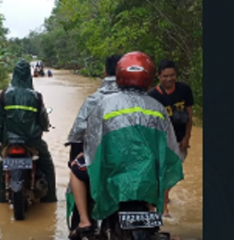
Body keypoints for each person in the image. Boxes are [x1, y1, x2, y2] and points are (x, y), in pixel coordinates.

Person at [68, 51, 184, 238]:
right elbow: (171, 150)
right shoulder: (157, 107)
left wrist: (86, 155)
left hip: (115, 170)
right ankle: (152, 208)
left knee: (76, 169)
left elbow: (93, 141)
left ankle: (84, 220)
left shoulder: (103, 104)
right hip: (145, 173)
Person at [66, 55, 122, 239]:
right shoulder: (142, 99)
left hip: (99, 161)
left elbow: (77, 134)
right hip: (132, 161)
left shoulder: (94, 99)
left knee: (76, 170)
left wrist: (73, 158)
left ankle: (83, 221)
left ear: (105, 73)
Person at [0, 60, 57, 203]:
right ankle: (50, 199)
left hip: (9, 140)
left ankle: (0, 199)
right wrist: (45, 127)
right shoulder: (36, 96)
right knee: (47, 164)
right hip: (32, 141)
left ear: (14, 75)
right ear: (29, 75)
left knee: (0, 166)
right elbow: (43, 119)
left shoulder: (4, 95)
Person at [148, 59, 194, 217]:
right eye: (165, 76)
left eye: (172, 75)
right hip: (161, 141)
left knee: (173, 171)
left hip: (180, 139)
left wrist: (187, 137)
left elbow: (189, 114)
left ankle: (163, 200)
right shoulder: (152, 96)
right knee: (160, 173)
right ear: (159, 76)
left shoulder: (184, 90)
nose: (169, 79)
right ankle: (162, 206)